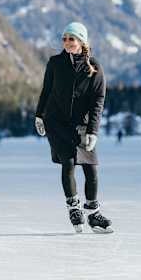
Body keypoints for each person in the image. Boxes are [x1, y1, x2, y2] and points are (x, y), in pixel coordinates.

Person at [34, 22, 112, 234]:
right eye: (65, 38)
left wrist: (93, 131)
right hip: (56, 122)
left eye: (72, 38)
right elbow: (46, 90)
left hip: (82, 124)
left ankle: (93, 213)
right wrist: (39, 115)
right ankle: (74, 208)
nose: (67, 42)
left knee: (91, 168)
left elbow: (98, 100)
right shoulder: (55, 63)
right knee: (68, 162)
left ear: (82, 42)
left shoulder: (94, 68)